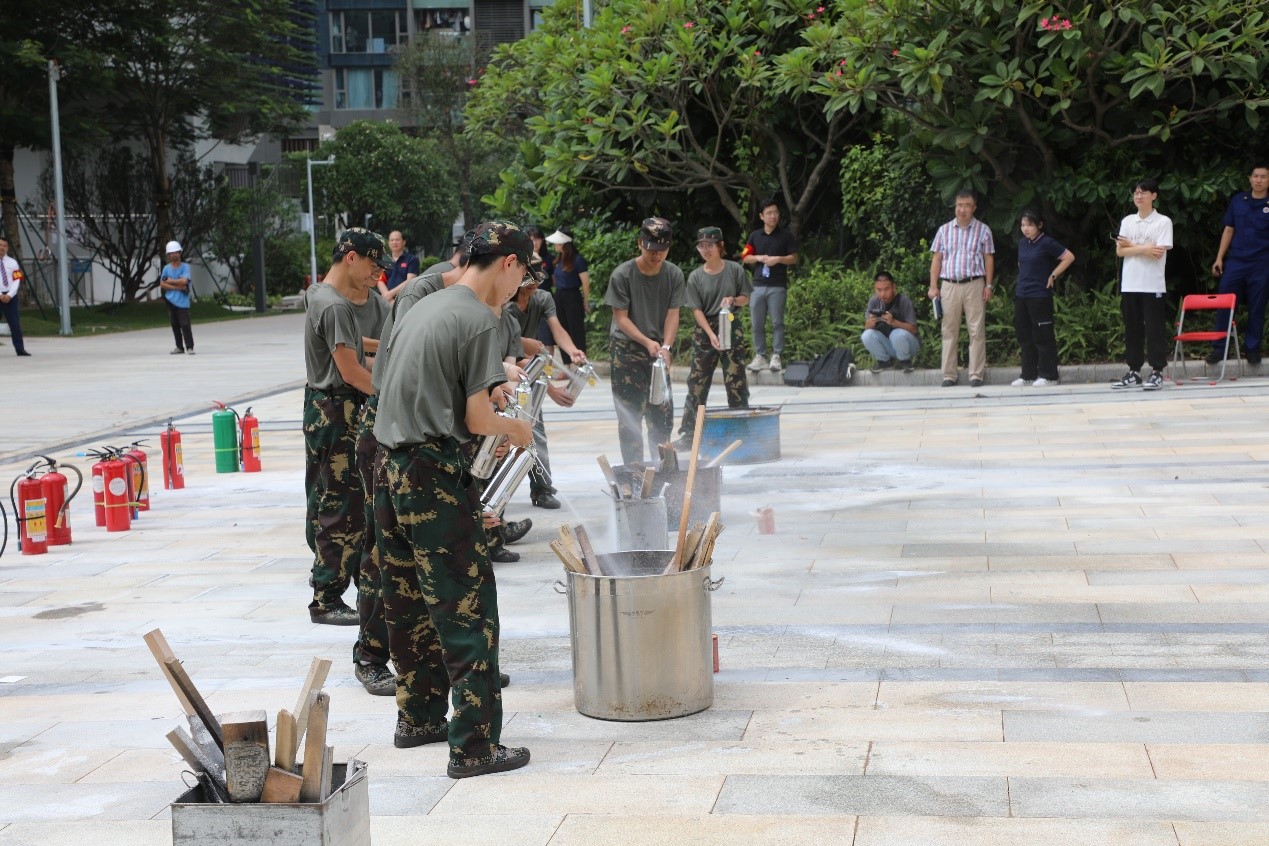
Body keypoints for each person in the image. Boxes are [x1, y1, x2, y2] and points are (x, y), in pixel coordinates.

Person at [372, 220, 536, 778]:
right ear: (508, 263)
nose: (519, 289)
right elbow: (475, 419)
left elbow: (423, 381)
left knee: (408, 601)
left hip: (389, 469)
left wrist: (487, 390)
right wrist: (516, 431)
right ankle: (474, 746)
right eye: (522, 274)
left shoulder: (426, 305)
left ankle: (417, 717)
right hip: (430, 472)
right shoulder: (478, 319)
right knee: (467, 607)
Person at [303, 228, 392, 626]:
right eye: (374, 265)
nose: (377, 274)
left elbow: (360, 349)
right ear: (351, 256)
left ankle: (335, 581)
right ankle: (326, 597)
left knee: (330, 500)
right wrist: (394, 395)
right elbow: (353, 372)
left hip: (327, 407)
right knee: (341, 506)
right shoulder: (335, 305)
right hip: (337, 409)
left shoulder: (322, 296)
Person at [504, 264, 587, 510]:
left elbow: (557, 329)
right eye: (529, 280)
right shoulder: (505, 306)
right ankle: (491, 501)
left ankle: (542, 488)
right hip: (505, 369)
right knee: (499, 438)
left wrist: (572, 352)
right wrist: (550, 388)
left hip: (528, 370)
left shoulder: (542, 298)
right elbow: (513, 354)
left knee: (534, 428)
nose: (535, 285)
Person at [605, 217, 686, 464]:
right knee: (630, 415)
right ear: (641, 243)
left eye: (662, 250)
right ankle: (634, 473)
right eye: (651, 249)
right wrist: (646, 342)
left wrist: (666, 346)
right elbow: (621, 318)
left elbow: (673, 314)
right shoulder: (623, 274)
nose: (656, 255)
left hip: (657, 352)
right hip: (627, 350)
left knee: (661, 414)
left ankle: (664, 471)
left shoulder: (674, 274)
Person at [674, 226, 751, 449]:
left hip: (730, 324)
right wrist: (710, 334)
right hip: (705, 328)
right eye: (701, 246)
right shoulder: (696, 276)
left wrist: (733, 300)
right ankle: (689, 433)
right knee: (697, 382)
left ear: (720, 246)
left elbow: (745, 297)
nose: (705, 250)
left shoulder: (735, 270)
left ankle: (740, 431)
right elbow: (696, 310)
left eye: (710, 245)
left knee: (736, 380)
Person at [928, 190, 996, 387]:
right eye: (959, 205)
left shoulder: (983, 230)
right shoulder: (944, 230)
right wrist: (933, 286)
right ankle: (949, 375)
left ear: (974, 208)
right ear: (955, 206)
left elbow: (988, 258)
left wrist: (988, 285)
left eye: (967, 205)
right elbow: (937, 258)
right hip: (949, 285)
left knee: (977, 330)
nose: (962, 209)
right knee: (949, 330)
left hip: (975, 284)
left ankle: (976, 374)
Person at [1110, 179, 1173, 391]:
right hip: (1130, 283)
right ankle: (1134, 371)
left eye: (1144, 192)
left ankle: (1157, 372)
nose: (1139, 196)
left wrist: (1132, 246)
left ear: (1154, 196)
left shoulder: (1163, 222)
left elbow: (1157, 253)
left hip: (1152, 284)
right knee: (1132, 329)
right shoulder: (1128, 221)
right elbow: (1120, 251)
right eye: (1136, 192)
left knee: (1154, 328)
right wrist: (1144, 249)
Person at [1209, 162, 1269, 365]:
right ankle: (1219, 348)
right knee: (1224, 302)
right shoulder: (1238, 200)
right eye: (1255, 176)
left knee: (1257, 306)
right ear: (1250, 179)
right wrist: (1219, 258)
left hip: (1261, 262)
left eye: (1263, 177)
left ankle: (1252, 349)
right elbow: (1228, 229)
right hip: (1236, 261)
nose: (1259, 180)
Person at [1011, 211, 1075, 387]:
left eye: (1030, 225)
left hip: (1039, 294)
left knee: (1043, 336)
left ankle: (1049, 375)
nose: (1026, 229)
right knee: (1024, 336)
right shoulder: (1022, 243)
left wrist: (1053, 275)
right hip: (1022, 294)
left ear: (1039, 225)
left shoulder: (1047, 242)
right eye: (1023, 225)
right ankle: (1028, 374)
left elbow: (1069, 257)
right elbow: (1021, 264)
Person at [742, 200, 798, 372]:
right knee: (757, 322)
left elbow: (794, 257)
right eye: (769, 213)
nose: (773, 216)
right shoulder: (755, 236)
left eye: (776, 212)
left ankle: (776, 355)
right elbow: (745, 256)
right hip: (757, 286)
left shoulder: (786, 236)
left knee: (777, 322)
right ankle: (760, 355)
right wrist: (758, 258)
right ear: (761, 216)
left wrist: (778, 259)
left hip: (777, 285)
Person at [860, 271, 920, 374]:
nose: (882, 294)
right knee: (866, 335)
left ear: (893, 287)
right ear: (875, 289)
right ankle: (885, 361)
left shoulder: (903, 300)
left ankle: (905, 361)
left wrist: (894, 322)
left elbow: (914, 330)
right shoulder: (874, 301)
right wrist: (870, 323)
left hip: (909, 345)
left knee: (896, 334)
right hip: (889, 345)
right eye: (879, 290)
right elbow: (866, 327)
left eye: (886, 289)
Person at [546, 228, 590, 365]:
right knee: (562, 328)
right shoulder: (558, 260)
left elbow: (586, 283)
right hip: (559, 296)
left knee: (576, 329)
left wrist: (586, 301)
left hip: (573, 296)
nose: (555, 245)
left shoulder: (578, 260)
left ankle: (580, 360)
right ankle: (567, 363)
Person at [160, 240, 195, 355]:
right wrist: (177, 286)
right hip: (170, 300)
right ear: (168, 255)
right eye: (172, 253)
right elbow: (162, 284)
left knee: (185, 324)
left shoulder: (185, 267)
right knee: (174, 324)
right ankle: (179, 347)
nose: (174, 255)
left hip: (183, 301)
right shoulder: (166, 268)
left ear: (180, 253)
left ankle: (189, 347)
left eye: (176, 252)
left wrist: (170, 280)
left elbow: (185, 281)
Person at [0, 235, 30, 357]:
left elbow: (17, 280)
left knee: (15, 324)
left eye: (4, 246)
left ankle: (20, 349)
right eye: (0, 245)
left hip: (10, 297)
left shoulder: (13, 263)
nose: (2, 247)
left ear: (7, 248)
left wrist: (10, 295)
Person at [377, 230, 418, 302]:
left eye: (397, 240)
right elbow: (380, 280)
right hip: (386, 300)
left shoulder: (412, 259)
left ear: (403, 242)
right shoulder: (384, 261)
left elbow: (410, 280)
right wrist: (386, 296)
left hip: (405, 299)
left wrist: (390, 295)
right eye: (392, 240)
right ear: (388, 243)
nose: (394, 242)